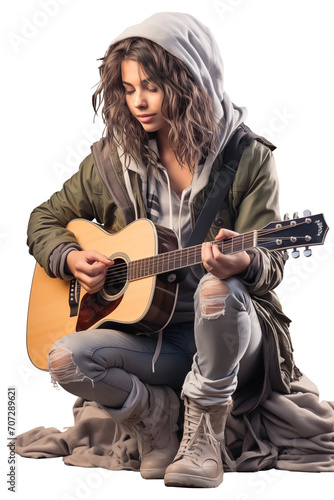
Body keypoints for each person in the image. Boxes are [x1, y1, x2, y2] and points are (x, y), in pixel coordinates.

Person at [27, 12, 300, 488]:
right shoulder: (113, 160)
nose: (138, 102)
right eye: (128, 89)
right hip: (147, 336)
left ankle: (204, 438)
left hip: (231, 336)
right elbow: (42, 220)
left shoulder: (246, 156)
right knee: (64, 359)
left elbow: (272, 258)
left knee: (218, 288)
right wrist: (70, 258)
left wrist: (246, 260)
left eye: (150, 86)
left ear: (190, 79)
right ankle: (156, 414)